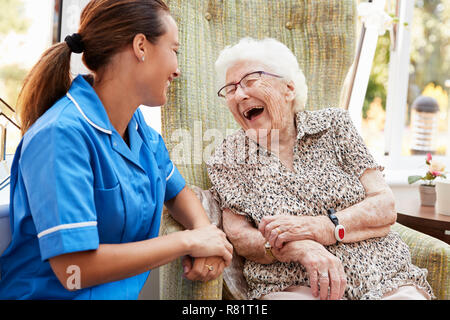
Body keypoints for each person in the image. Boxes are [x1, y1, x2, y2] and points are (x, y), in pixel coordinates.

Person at [0, 0, 232, 300]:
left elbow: (176, 191)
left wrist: (206, 234)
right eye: (174, 51)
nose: (177, 69)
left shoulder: (137, 129)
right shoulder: (60, 135)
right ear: (141, 46)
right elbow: (74, 269)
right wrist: (188, 242)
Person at [206, 37, 434, 300]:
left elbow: (384, 206)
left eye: (249, 80)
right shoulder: (227, 156)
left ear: (288, 89)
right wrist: (302, 249)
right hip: (294, 283)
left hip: (383, 275)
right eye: (231, 89)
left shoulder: (335, 125)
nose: (240, 94)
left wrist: (320, 228)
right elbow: (240, 237)